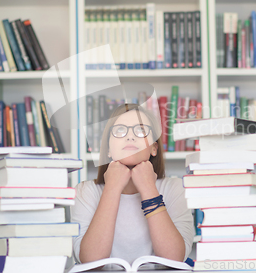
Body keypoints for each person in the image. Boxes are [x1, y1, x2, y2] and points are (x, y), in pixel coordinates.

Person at [71, 103, 195, 265]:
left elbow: (174, 258)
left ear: (154, 148)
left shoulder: (174, 188)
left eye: (141, 130)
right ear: (108, 148)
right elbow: (90, 260)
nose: (130, 137)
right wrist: (112, 188)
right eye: (120, 130)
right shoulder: (85, 191)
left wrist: (148, 189)